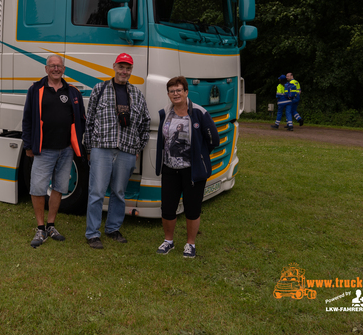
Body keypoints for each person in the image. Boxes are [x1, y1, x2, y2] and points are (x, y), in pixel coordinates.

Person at [84, 53, 151, 249]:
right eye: (121, 67)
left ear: (131, 70)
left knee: (119, 192)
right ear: (114, 66)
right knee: (96, 192)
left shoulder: (137, 94)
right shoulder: (100, 88)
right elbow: (89, 121)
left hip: (127, 151)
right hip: (101, 148)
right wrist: (89, 147)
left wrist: (137, 147)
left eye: (128, 68)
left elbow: (145, 123)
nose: (124, 71)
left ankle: (113, 228)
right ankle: (92, 233)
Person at [22, 55, 86, 248]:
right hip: (43, 150)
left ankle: (51, 225)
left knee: (59, 188)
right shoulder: (35, 90)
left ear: (64, 69)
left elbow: (81, 119)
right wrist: (28, 145)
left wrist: (77, 143)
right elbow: (27, 119)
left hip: (66, 150)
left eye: (59, 66)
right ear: (46, 69)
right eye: (52, 66)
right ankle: (40, 228)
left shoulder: (73, 92)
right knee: (38, 188)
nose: (56, 69)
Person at [155, 76, 219, 258]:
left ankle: (190, 244)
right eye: (172, 91)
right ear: (168, 94)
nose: (175, 94)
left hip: (192, 170)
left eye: (179, 90)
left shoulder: (199, 113)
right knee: (167, 208)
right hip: (169, 168)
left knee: (192, 209)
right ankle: (168, 241)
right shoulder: (165, 112)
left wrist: (200, 154)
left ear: (186, 92)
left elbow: (213, 139)